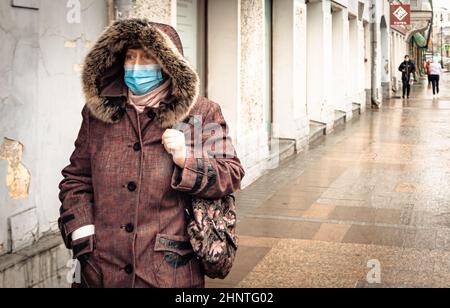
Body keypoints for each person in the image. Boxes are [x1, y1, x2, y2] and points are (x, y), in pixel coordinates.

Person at [58, 19, 245, 288]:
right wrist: (84, 241)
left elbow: (232, 172)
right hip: (101, 271)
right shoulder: (97, 114)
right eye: (130, 57)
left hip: (170, 272)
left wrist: (186, 159)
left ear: (167, 65)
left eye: (147, 59)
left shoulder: (200, 113)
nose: (135, 68)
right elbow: (76, 180)